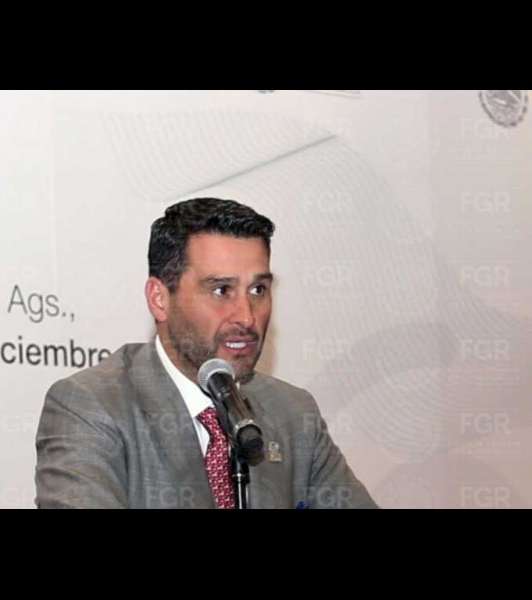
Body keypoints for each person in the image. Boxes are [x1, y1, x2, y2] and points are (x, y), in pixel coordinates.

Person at [35, 197, 377, 508]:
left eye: (258, 289)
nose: (246, 316)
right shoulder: (91, 406)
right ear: (159, 299)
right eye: (221, 290)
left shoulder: (293, 412)